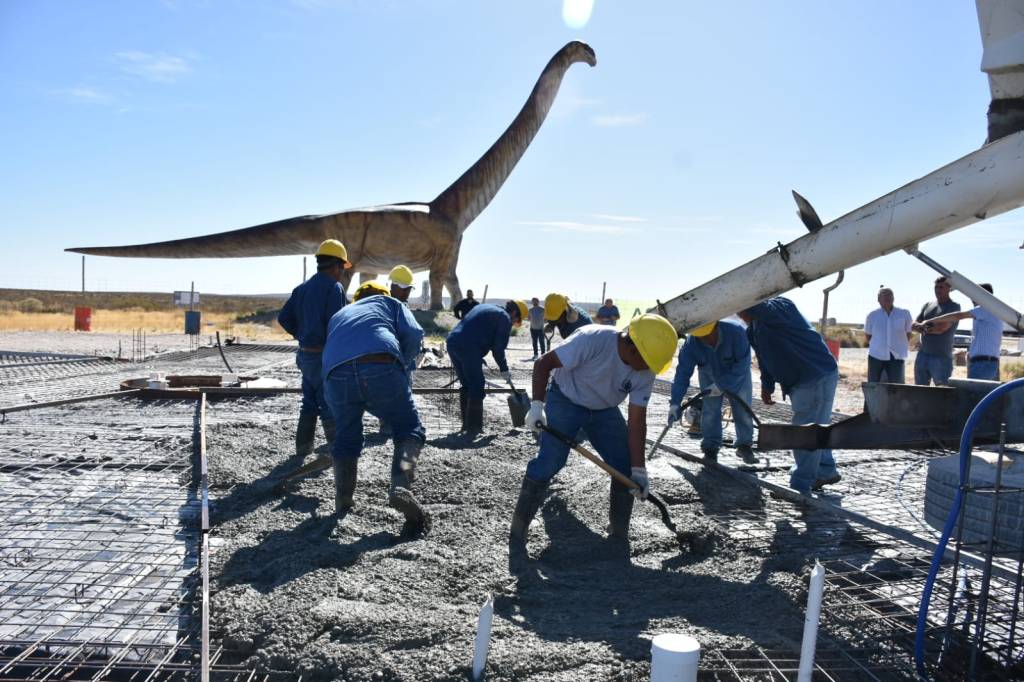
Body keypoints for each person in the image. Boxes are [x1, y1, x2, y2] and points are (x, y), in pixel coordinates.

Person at [509, 314, 677, 556]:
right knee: (550, 462)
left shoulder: (645, 370)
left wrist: (639, 470)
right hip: (566, 399)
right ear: (631, 345)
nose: (648, 368)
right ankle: (518, 531)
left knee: (623, 467)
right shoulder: (593, 340)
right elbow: (544, 363)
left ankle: (619, 534)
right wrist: (537, 406)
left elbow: (637, 421)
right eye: (646, 360)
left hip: (605, 410)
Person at [322, 283, 429, 531]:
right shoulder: (390, 303)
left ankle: (343, 502)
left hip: (335, 374)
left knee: (346, 436)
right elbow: (413, 333)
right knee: (409, 428)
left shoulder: (340, 315)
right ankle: (400, 486)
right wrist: (402, 363)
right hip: (380, 364)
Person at [738, 297, 840, 496]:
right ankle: (825, 470)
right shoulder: (753, 330)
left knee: (805, 432)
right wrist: (767, 386)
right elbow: (764, 359)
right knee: (817, 426)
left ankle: (800, 485)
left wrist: (737, 293)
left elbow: (759, 307)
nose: (739, 314)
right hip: (801, 380)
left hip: (815, 375)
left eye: (739, 308)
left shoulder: (780, 306)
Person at [277, 239, 350, 458]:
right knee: (330, 404)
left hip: (305, 356)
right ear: (335, 265)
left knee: (309, 403)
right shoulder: (334, 288)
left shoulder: (302, 289)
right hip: (324, 358)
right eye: (341, 268)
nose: (341, 273)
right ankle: (337, 453)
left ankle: (302, 451)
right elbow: (337, 324)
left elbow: (284, 318)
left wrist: (301, 335)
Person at [667, 320, 756, 464]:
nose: (705, 340)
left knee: (743, 408)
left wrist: (722, 385)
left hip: (738, 374)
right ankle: (710, 448)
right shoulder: (692, 344)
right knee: (710, 410)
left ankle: (744, 445)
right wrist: (675, 402)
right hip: (709, 373)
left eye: (707, 335)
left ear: (716, 327)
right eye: (700, 337)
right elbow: (682, 374)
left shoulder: (736, 333)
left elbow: (743, 364)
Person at [446, 300, 528, 435]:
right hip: (469, 348)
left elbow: (477, 330)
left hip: (453, 342)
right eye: (517, 319)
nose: (513, 323)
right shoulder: (504, 318)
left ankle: (466, 427)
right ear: (514, 313)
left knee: (467, 384)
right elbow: (498, 349)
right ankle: (474, 429)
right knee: (477, 386)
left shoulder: (486, 307)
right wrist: (504, 369)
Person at [916, 283, 1003, 381]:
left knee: (974, 395)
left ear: (982, 296)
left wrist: (930, 321)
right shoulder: (991, 312)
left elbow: (957, 316)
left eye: (974, 295)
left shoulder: (985, 309)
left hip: (982, 364)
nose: (971, 298)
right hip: (987, 363)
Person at [912, 276, 961, 386]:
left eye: (941, 287)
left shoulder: (953, 307)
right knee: (919, 391)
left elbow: (941, 328)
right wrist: (922, 327)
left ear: (949, 289)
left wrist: (922, 328)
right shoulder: (927, 305)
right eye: (936, 287)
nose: (938, 290)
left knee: (942, 392)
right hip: (922, 355)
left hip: (941, 357)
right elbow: (914, 324)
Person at [864, 287, 913, 383]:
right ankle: (872, 399)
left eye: (890, 295)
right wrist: (880, 346)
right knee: (873, 384)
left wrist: (898, 345)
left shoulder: (904, 313)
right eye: (884, 295)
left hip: (896, 356)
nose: (887, 297)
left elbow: (908, 333)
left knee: (897, 386)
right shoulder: (872, 315)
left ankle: (896, 399)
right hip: (876, 356)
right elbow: (868, 336)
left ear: (893, 298)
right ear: (878, 299)